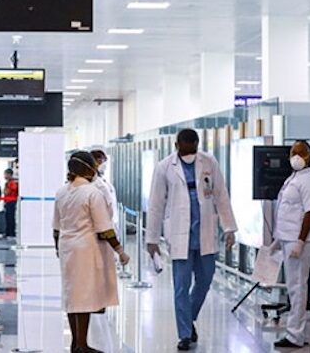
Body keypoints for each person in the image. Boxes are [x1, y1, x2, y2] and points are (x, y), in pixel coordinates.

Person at [145, 129, 236, 351]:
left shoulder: (209, 162)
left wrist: (229, 228)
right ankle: (184, 334)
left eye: (193, 150)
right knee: (181, 287)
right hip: (179, 235)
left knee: (205, 280)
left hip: (205, 234)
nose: (190, 155)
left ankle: (189, 316)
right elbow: (156, 204)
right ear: (177, 145)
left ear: (197, 144)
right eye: (186, 150)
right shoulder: (164, 167)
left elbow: (221, 195)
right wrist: (152, 238)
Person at [53, 151, 130, 353]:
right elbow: (104, 228)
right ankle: (82, 345)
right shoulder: (92, 193)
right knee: (84, 297)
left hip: (67, 248)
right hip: (86, 250)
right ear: (88, 168)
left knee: (72, 296)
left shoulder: (61, 192)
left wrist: (58, 249)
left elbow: (56, 228)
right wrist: (119, 250)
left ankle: (75, 343)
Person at [272, 140, 310, 349]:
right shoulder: (293, 178)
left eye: (301, 153)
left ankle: (295, 335)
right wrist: (278, 238)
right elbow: (287, 210)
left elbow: (309, 213)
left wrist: (300, 241)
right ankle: (297, 332)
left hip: (299, 240)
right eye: (294, 152)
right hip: (288, 238)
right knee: (294, 287)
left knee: (297, 287)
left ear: (308, 156)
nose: (296, 156)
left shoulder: (309, 181)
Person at [90, 150, 118, 232]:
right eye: (99, 161)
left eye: (104, 161)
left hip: (111, 222)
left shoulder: (102, 180)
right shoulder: (93, 182)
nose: (103, 164)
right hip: (103, 224)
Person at [3, 168, 19, 238]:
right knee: (7, 217)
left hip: (11, 202)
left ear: (9, 174)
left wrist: (6, 188)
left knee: (10, 218)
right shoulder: (8, 183)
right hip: (7, 202)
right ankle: (8, 232)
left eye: (5, 174)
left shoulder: (12, 183)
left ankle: (11, 233)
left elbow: (7, 192)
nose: (4, 176)